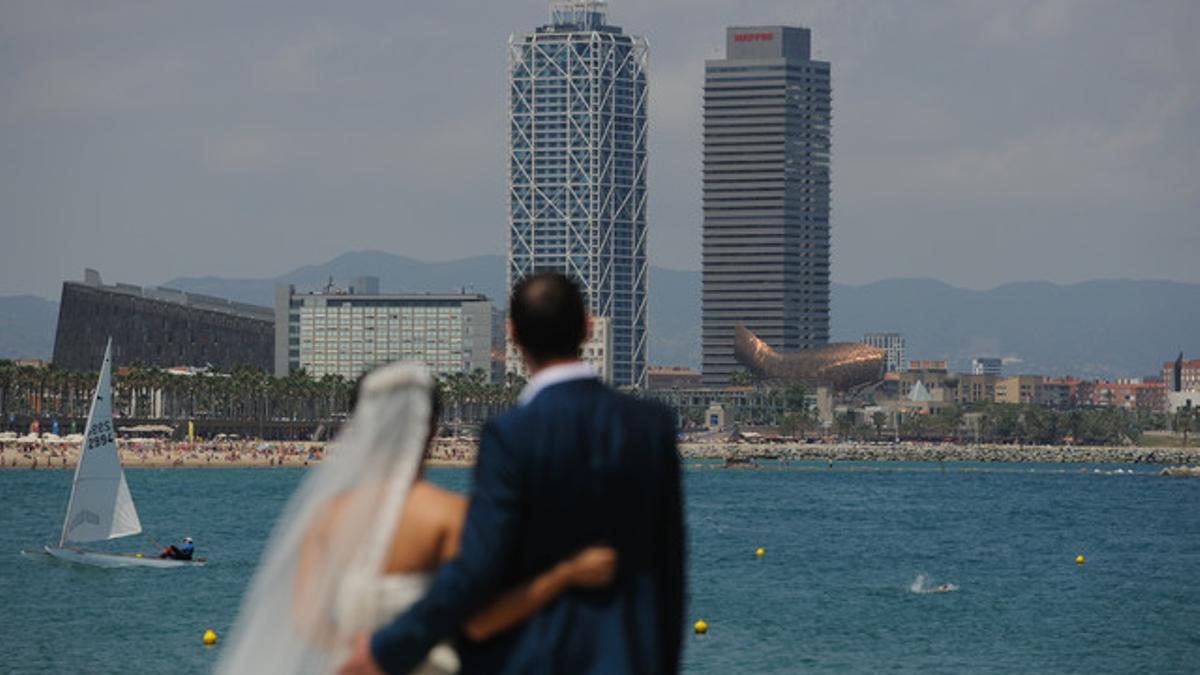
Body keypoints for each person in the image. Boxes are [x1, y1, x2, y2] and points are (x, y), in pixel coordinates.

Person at [340, 272, 686, 675]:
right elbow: (670, 575)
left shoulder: (510, 435)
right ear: (589, 327)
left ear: (513, 335)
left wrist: (386, 650)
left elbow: (476, 572)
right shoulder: (651, 426)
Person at [216, 361, 619, 675]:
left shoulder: (327, 519)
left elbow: (305, 620)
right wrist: (563, 575)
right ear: (432, 427)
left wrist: (354, 653)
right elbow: (480, 621)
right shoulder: (448, 517)